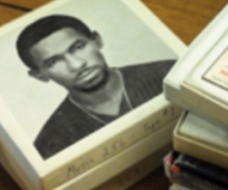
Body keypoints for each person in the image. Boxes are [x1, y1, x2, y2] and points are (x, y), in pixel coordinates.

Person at [15, 14, 176, 160]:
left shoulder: (170, 73)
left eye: (78, 47)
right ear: (39, 75)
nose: (76, 65)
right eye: (53, 62)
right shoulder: (50, 144)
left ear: (97, 40)